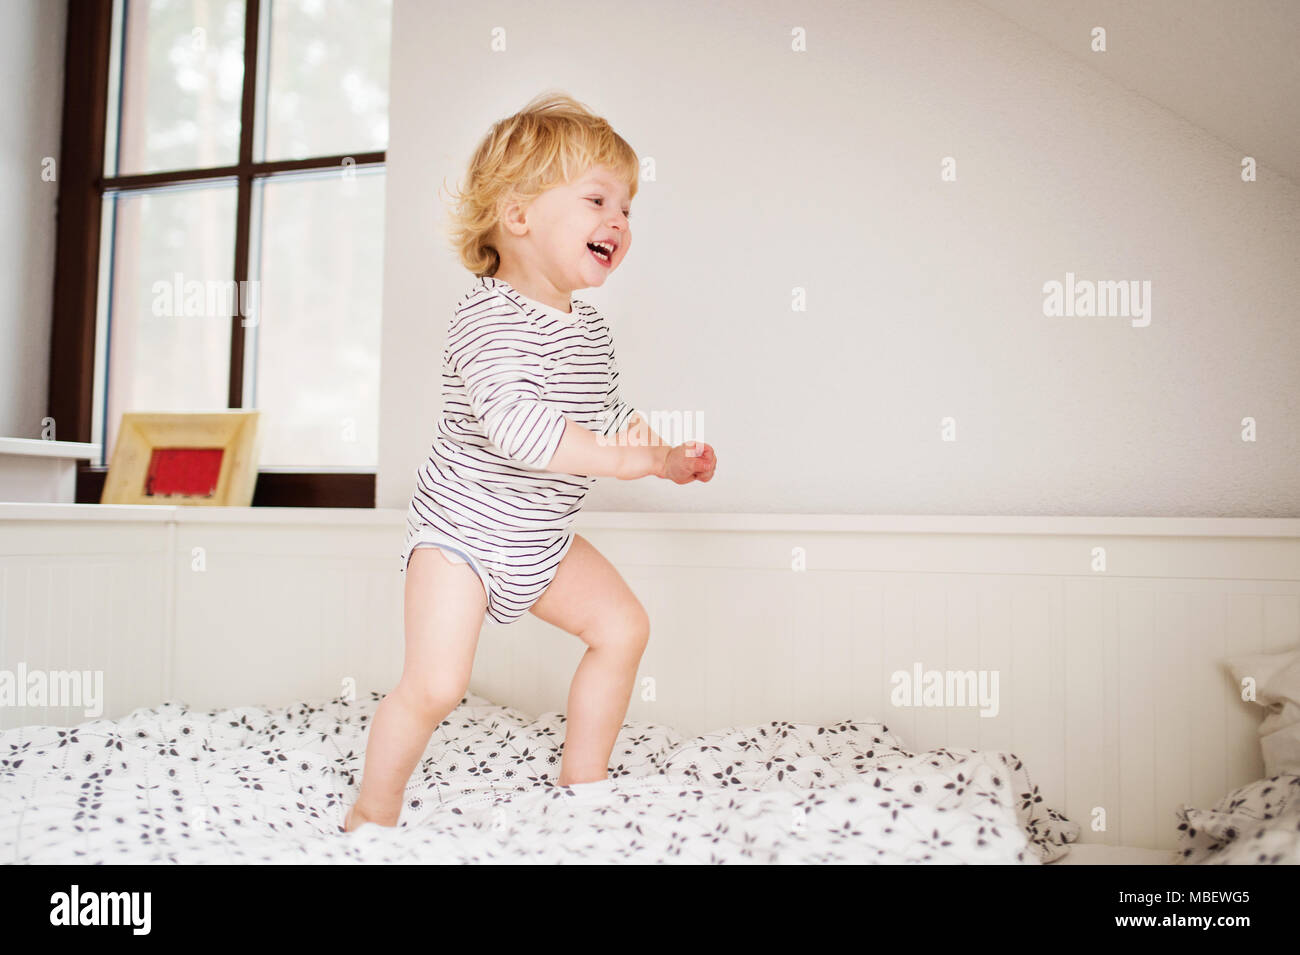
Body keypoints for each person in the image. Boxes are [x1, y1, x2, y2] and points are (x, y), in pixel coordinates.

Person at [345, 91, 716, 831]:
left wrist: (665, 455)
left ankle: (584, 781)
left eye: (627, 207)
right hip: (463, 538)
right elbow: (520, 430)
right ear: (518, 217)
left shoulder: (589, 330)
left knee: (623, 627)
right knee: (437, 683)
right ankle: (371, 813)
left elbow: (607, 414)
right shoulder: (486, 315)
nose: (618, 220)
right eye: (597, 200)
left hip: (538, 540)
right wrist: (622, 462)